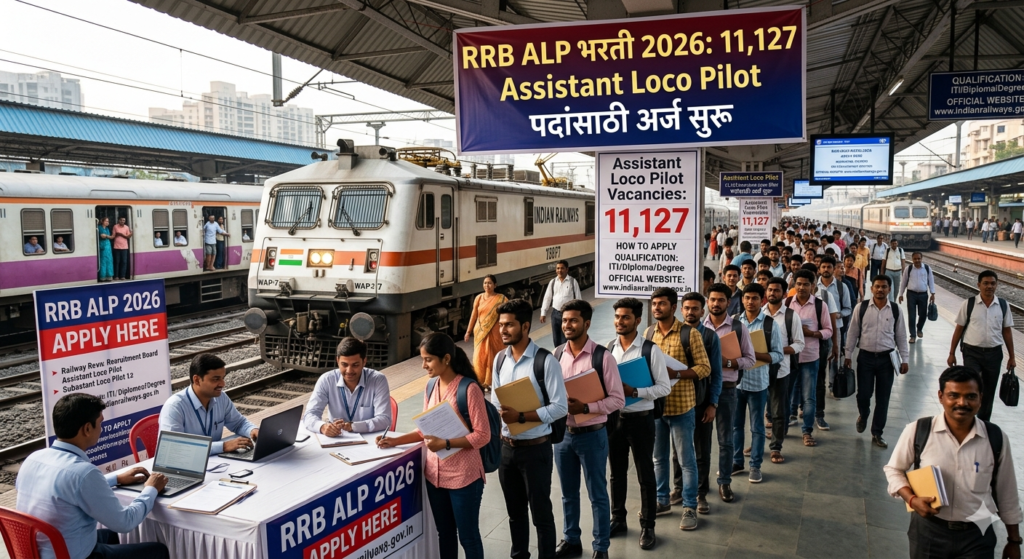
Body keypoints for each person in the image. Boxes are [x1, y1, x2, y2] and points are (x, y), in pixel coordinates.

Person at [883, 366, 1021, 559]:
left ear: (981, 398)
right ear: (940, 396)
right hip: (929, 532)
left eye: (971, 396)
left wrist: (1014, 540)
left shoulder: (995, 438)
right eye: (953, 395)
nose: (962, 403)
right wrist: (912, 500)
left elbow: (1007, 492)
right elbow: (894, 469)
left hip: (978, 535)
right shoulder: (919, 430)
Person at [16, 393, 170, 559]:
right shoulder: (84, 473)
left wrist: (116, 478)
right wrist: (151, 489)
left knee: (110, 536)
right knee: (158, 551)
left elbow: (68, 488)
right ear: (87, 429)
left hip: (37, 551)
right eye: (100, 423)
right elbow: (125, 522)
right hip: (70, 555)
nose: (101, 429)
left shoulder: (33, 459)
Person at [377, 334, 489, 559]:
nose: (423, 365)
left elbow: (482, 436)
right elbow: (425, 430)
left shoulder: (469, 389)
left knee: (468, 537)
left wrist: (446, 443)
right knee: (445, 534)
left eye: (428, 359)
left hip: (464, 477)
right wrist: (395, 440)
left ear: (446, 358)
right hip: (435, 477)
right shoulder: (430, 386)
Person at [490, 299, 567, 559]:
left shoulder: (545, 362)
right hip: (507, 450)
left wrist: (521, 416)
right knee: (515, 514)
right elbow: (495, 400)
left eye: (509, 325)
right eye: (501, 325)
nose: (503, 330)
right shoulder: (499, 359)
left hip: (536, 451)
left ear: (525, 326)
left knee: (541, 514)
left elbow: (560, 408)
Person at [553, 299, 624, 559]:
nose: (567, 325)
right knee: (568, 493)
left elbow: (618, 400)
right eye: (564, 320)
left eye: (573, 320)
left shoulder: (602, 357)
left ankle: (600, 547)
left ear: (587, 323)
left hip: (592, 435)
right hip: (563, 438)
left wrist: (585, 408)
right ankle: (571, 539)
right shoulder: (557, 354)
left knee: (597, 494)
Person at [607, 298, 671, 549]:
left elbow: (663, 387)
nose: (619, 321)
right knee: (616, 473)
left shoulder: (649, 350)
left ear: (636, 320)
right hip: (616, 420)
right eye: (617, 317)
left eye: (625, 317)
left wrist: (635, 391)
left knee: (646, 474)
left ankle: (648, 526)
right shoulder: (610, 348)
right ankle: (618, 518)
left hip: (642, 420)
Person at [649, 287, 711, 530]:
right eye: (654, 304)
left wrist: (678, 373)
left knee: (687, 460)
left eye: (662, 304)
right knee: (658, 458)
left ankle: (689, 507)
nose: (656, 308)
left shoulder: (690, 334)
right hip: (657, 408)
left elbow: (704, 368)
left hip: (682, 406)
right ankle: (662, 500)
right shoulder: (648, 333)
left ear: (673, 307)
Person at [844, 275, 909, 448]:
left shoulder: (895, 310)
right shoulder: (862, 307)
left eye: (884, 287)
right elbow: (852, 332)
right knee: (863, 394)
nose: (880, 289)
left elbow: (901, 335)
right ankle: (863, 414)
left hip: (887, 360)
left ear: (889, 289)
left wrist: (905, 359)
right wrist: (848, 354)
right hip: (865, 358)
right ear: (871, 288)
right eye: (877, 286)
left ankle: (877, 433)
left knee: (883, 398)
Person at [674, 292, 721, 515]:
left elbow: (717, 374)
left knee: (701, 450)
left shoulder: (710, 338)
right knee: (678, 450)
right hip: (678, 402)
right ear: (681, 310)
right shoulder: (674, 335)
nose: (690, 312)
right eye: (687, 308)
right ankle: (678, 488)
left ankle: (700, 493)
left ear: (703, 311)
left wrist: (713, 403)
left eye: (695, 308)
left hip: (701, 402)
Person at [947, 270, 1015, 422]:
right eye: (985, 283)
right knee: (972, 386)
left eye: (992, 283)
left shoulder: (1003, 306)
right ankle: (969, 419)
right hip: (972, 352)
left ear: (997, 285)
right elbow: (959, 329)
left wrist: (1012, 356)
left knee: (988, 391)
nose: (989, 286)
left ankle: (983, 423)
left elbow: (1007, 331)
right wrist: (951, 353)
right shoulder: (969, 304)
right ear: (979, 285)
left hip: (994, 354)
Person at [704, 283, 756, 484]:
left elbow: (750, 360)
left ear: (729, 302)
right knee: (702, 441)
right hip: (702, 389)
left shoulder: (737, 328)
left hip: (727, 389)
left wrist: (729, 362)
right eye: (713, 299)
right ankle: (702, 485)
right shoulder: (699, 327)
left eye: (721, 300)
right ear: (707, 301)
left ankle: (724, 482)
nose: (716, 304)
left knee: (726, 440)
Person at [732, 284, 782, 483]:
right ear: (742, 299)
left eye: (754, 298)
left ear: (762, 300)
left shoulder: (770, 325)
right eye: (747, 298)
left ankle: (755, 466)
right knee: (735, 426)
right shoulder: (735, 321)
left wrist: (753, 354)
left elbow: (778, 355)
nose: (750, 302)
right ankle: (736, 462)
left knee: (757, 427)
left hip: (758, 384)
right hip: (736, 383)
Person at [159, 354, 258, 455]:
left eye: (223, 378)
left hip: (215, 462)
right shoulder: (175, 407)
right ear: (197, 380)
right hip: (185, 467)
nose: (223, 384)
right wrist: (223, 446)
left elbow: (238, 423)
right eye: (216, 379)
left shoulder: (221, 398)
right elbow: (173, 447)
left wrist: (253, 430)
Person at [303, 338, 393, 436]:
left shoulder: (378, 380)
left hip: (370, 440)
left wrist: (353, 426)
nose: (349, 371)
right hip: (337, 439)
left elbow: (385, 419)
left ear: (364, 361)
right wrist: (322, 427)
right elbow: (309, 415)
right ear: (337, 360)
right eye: (344, 364)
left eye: (355, 365)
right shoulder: (327, 380)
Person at [787, 270, 832, 447]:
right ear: (794, 284)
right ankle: (783, 425)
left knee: (809, 396)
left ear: (813, 286)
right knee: (787, 393)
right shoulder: (788, 303)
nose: (802, 287)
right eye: (798, 284)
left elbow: (829, 330)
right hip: (790, 356)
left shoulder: (820, 306)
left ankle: (807, 430)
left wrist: (813, 333)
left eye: (806, 284)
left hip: (810, 356)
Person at [763, 277, 805, 465]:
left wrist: (777, 352)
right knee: (757, 411)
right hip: (757, 370)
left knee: (779, 411)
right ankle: (756, 445)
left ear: (784, 292)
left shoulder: (790, 316)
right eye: (770, 290)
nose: (772, 293)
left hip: (781, 370)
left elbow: (799, 344)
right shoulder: (758, 314)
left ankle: (776, 447)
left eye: (776, 290)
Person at [817, 256, 850, 430]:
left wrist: (838, 315)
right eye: (823, 266)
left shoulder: (841, 287)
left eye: (829, 266)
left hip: (835, 328)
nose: (826, 269)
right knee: (819, 363)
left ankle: (832, 386)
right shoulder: (814, 287)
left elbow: (848, 308)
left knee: (833, 357)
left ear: (834, 268)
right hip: (817, 332)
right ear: (819, 268)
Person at [465, 274, 507, 389]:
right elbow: (474, 315)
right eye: (485, 283)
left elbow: (507, 314)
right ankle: (481, 381)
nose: (487, 285)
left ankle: (493, 381)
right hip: (480, 333)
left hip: (495, 333)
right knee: (479, 357)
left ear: (495, 285)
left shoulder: (501, 298)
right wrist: (468, 332)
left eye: (489, 283)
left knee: (493, 357)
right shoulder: (478, 298)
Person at [540, 260, 582, 347]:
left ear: (567, 269)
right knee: (556, 339)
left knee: (566, 339)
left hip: (568, 315)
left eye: (562, 268)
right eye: (558, 268)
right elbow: (547, 298)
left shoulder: (573, 282)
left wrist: (580, 314)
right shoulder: (553, 282)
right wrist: (543, 313)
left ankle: (565, 357)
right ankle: (558, 357)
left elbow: (578, 299)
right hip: (555, 314)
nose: (559, 270)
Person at [899, 252, 936, 344]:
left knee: (923, 315)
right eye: (915, 259)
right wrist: (901, 294)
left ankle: (919, 328)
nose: (917, 260)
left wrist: (933, 293)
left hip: (923, 295)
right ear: (912, 259)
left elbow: (931, 281)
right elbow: (903, 282)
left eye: (919, 258)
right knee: (912, 316)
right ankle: (913, 335)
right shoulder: (909, 269)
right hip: (911, 294)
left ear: (921, 258)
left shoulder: (927, 268)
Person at [881, 238, 906, 303]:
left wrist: (904, 274)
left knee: (896, 290)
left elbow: (903, 262)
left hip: (898, 272)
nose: (894, 245)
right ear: (890, 244)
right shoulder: (887, 250)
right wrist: (882, 273)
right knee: (890, 289)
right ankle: (891, 303)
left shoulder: (900, 250)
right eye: (893, 243)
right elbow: (883, 262)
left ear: (897, 243)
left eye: (895, 243)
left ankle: (893, 302)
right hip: (889, 272)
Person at [112, 216, 132, 281]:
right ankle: (116, 276)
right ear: (118, 220)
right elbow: (113, 235)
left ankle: (122, 276)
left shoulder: (126, 227)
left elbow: (128, 236)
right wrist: (124, 235)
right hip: (116, 246)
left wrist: (121, 234)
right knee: (116, 262)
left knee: (124, 262)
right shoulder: (115, 226)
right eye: (121, 220)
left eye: (123, 220)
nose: (122, 221)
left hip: (124, 247)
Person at [97, 217, 114, 282]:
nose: (107, 222)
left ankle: (109, 276)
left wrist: (107, 236)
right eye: (106, 221)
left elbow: (108, 236)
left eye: (108, 221)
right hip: (102, 245)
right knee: (103, 261)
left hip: (108, 246)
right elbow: (102, 236)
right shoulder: (99, 227)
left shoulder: (107, 229)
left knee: (109, 260)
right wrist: (109, 237)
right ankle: (102, 276)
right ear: (102, 221)